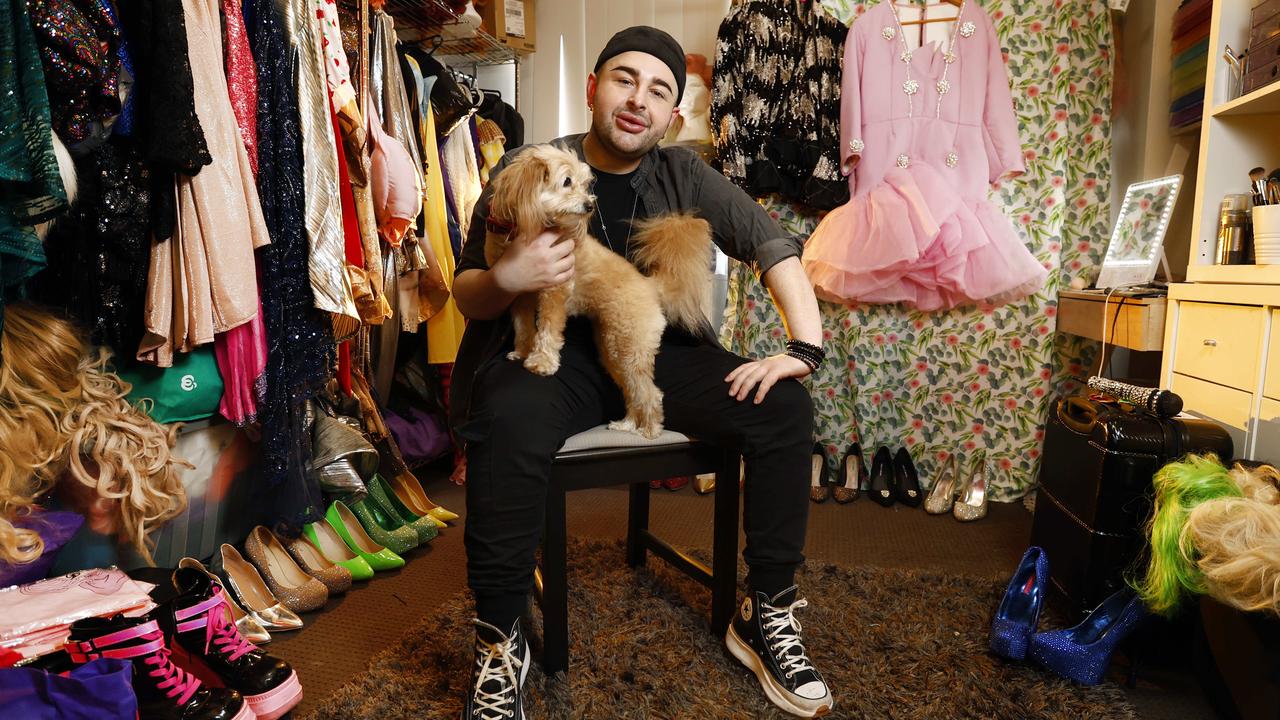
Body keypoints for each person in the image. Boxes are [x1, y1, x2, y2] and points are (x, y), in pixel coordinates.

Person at [451, 26, 833, 719]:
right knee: (506, 416)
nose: (639, 100)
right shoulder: (532, 165)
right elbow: (467, 289)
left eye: (659, 91)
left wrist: (802, 350)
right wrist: (509, 274)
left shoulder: (686, 173)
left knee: (783, 408)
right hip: (556, 354)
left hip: (665, 353)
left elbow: (771, 244)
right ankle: (501, 638)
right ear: (593, 88)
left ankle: (766, 610)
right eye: (624, 79)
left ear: (672, 116)